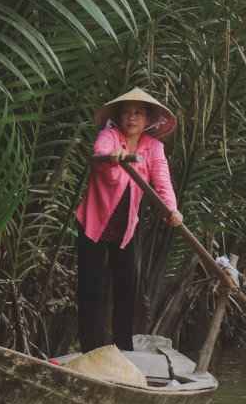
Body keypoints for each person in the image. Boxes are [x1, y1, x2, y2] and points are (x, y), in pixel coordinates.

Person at [74, 87, 184, 351]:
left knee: (126, 288)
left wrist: (172, 210)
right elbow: (101, 153)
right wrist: (114, 158)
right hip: (94, 225)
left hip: (125, 228)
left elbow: (162, 182)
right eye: (126, 113)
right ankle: (92, 349)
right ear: (119, 117)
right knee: (91, 288)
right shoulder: (110, 136)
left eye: (138, 113)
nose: (131, 118)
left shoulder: (153, 147)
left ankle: (124, 349)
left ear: (147, 120)